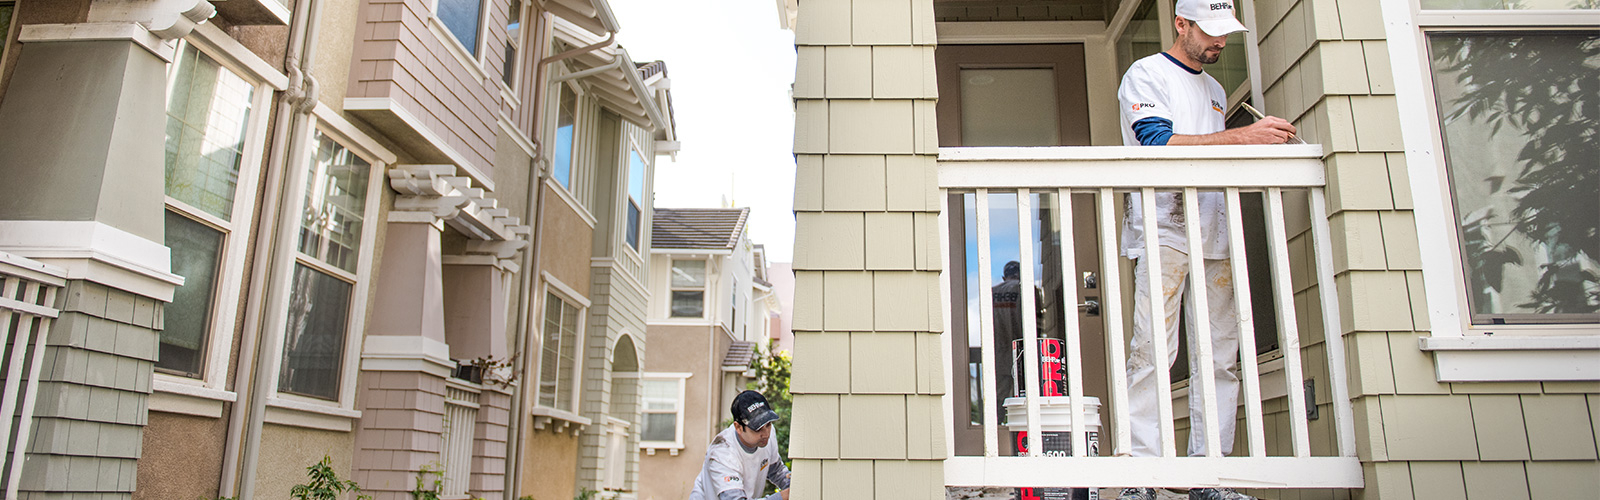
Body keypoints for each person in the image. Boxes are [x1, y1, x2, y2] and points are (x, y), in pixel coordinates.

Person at [1114, 0, 1296, 499]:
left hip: (1215, 230)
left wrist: (1260, 143)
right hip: (1165, 229)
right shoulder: (1146, 74)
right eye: (1210, 31)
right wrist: (1244, 137)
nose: (1219, 42)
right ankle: (1143, 479)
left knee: (1220, 354)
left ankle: (1208, 476)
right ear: (1181, 24)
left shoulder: (1216, 89)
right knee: (1152, 351)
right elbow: (1155, 142)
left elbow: (1220, 149)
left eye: (1225, 32)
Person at [689, 390, 791, 500]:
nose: (766, 434)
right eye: (757, 429)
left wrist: (797, 487)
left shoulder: (767, 436)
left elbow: (776, 471)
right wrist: (781, 497)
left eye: (768, 424)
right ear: (738, 427)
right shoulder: (722, 453)